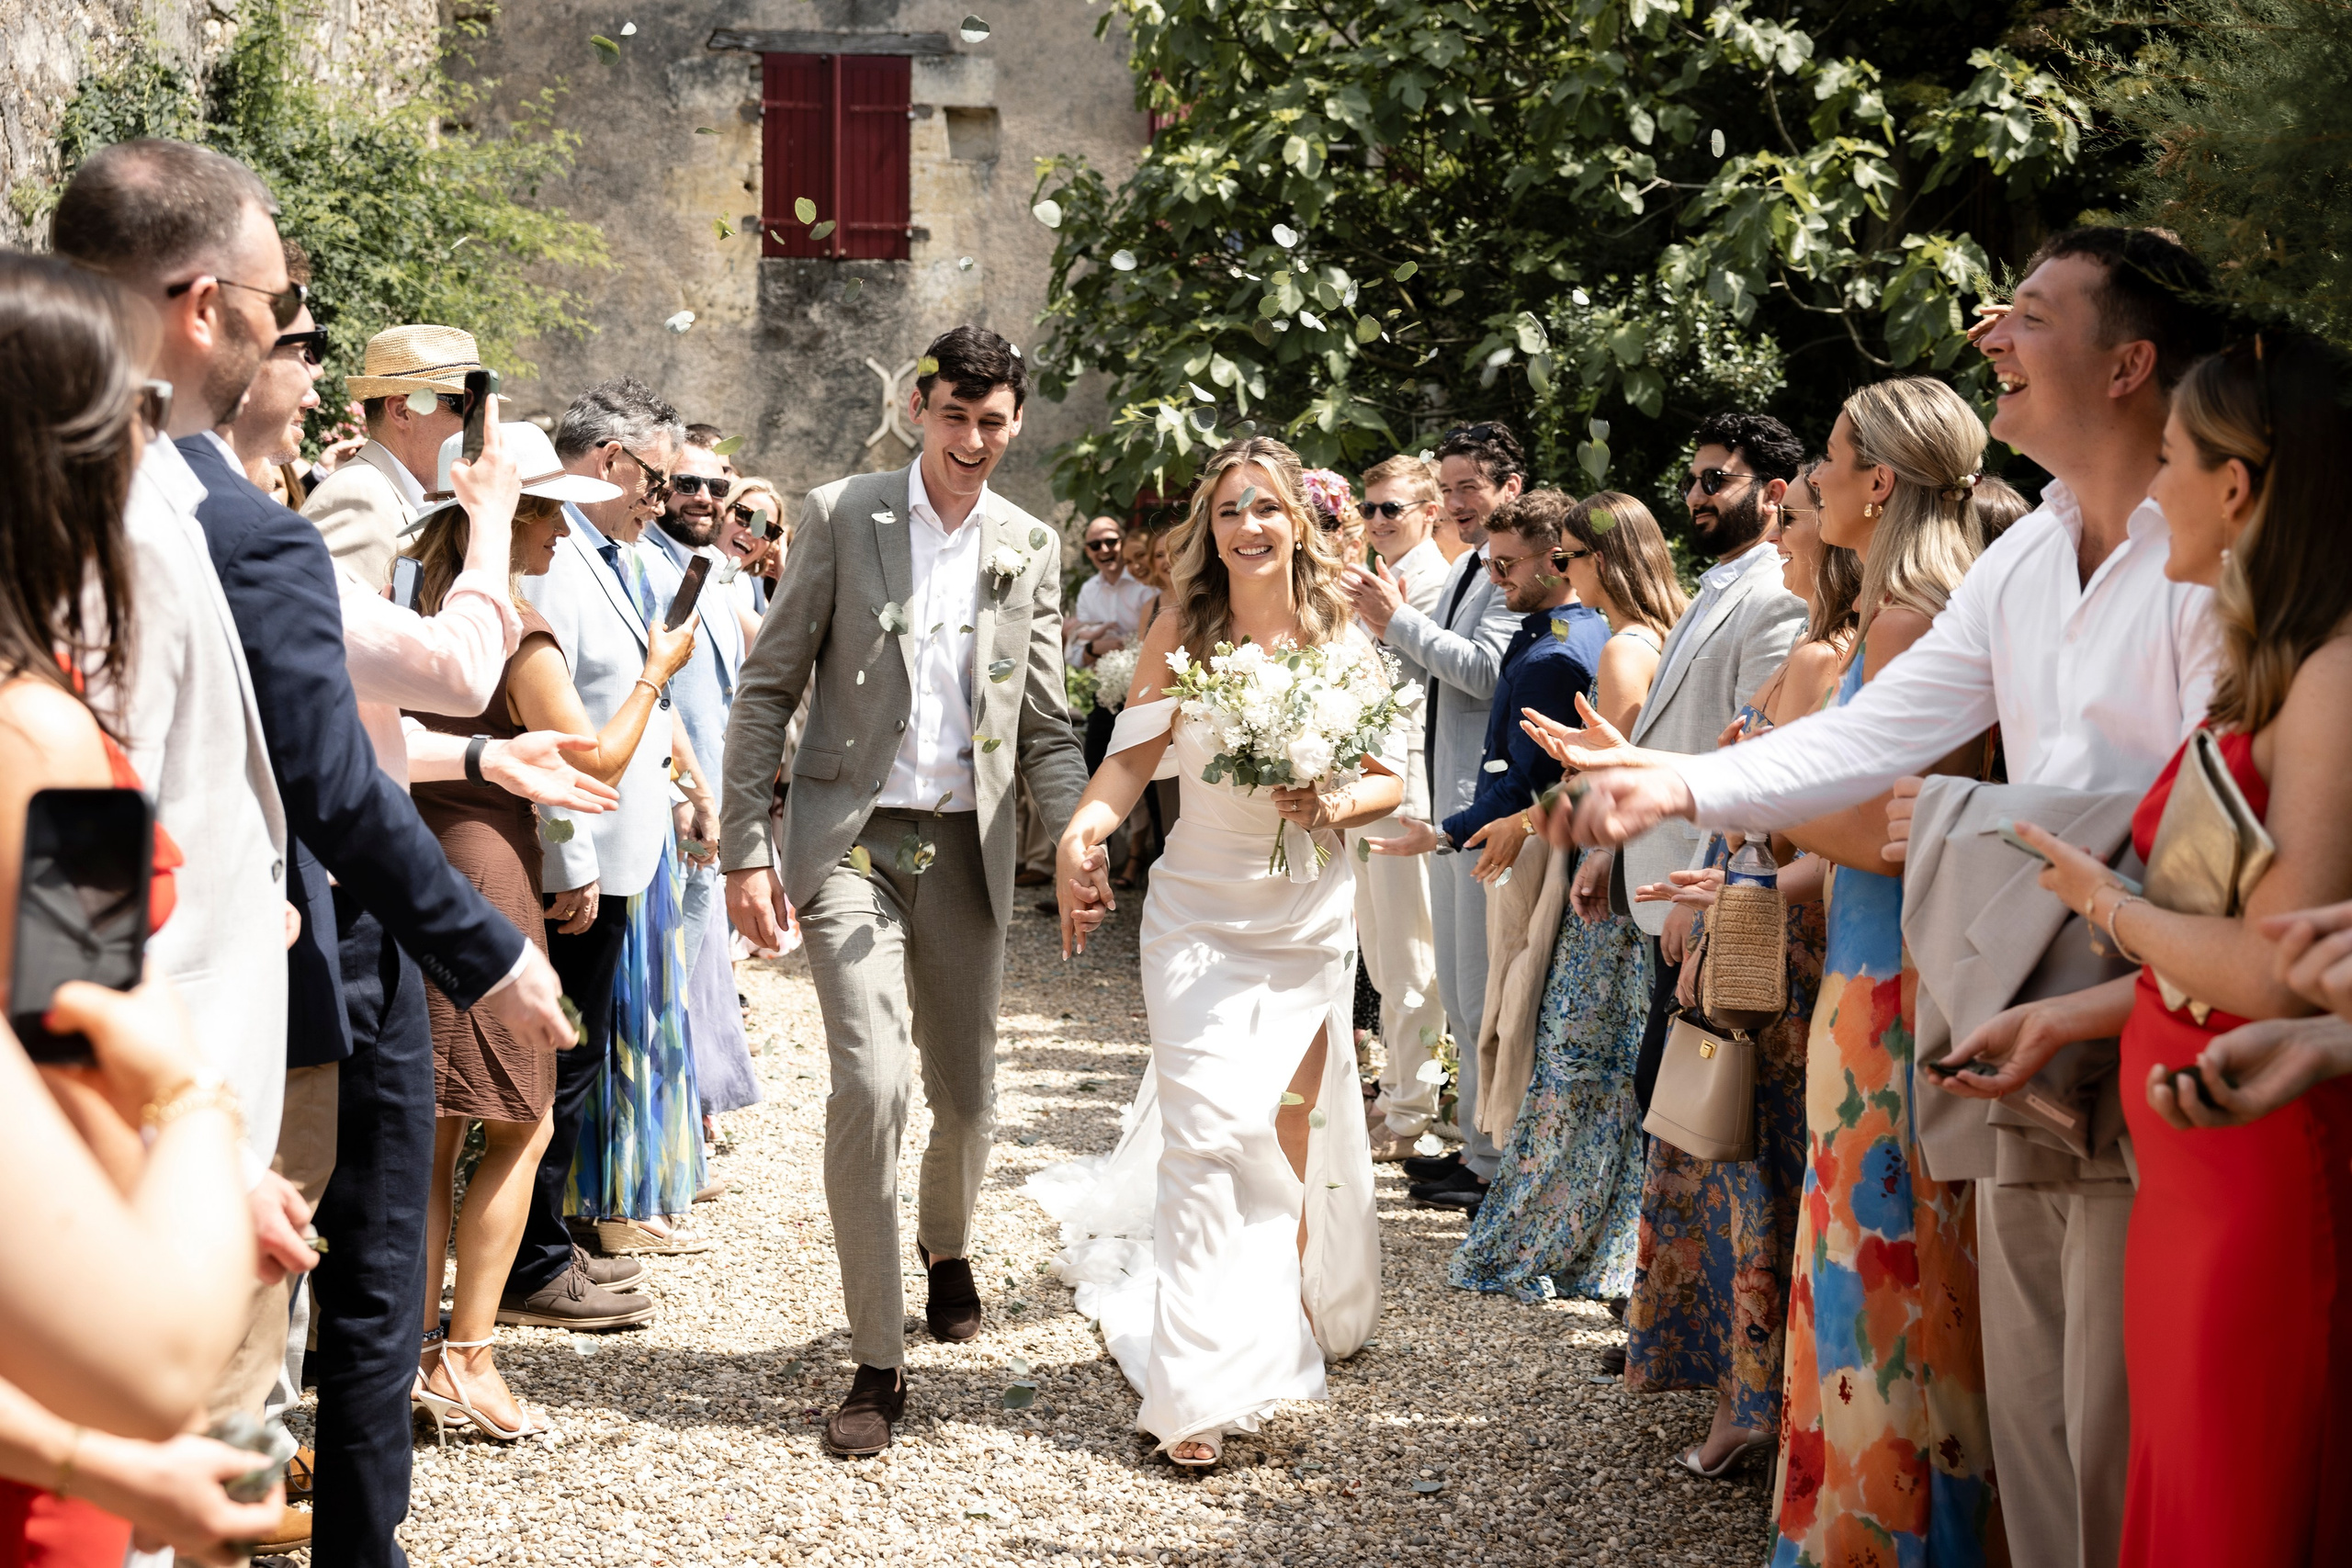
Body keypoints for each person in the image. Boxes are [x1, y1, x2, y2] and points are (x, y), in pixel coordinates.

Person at [1554, 228, 2228, 1568]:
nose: (1988, 334)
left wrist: (1996, 848)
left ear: (2130, 362)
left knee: (2126, 1414)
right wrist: (1674, 779)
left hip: (2160, 1011)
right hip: (2014, 1006)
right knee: (2035, 1400)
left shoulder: (2213, 552)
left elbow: (2220, 805)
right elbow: (1877, 735)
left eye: (2027, 315)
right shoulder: (2027, 556)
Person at [51, 139, 574, 1568]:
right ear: (206, 305)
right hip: (132, 1103)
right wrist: (176, 1113)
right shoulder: (137, 526)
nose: (288, 333)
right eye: (281, 307)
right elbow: (75, 852)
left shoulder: (155, 502)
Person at [1949, 333, 2352, 1566]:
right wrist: (2071, 1013)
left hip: (2259, 1172)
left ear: (2238, 486)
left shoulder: (2335, 676)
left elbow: (2282, 965)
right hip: (2192, 1162)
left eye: (2170, 456)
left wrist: (2099, 902)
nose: (2153, 486)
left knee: (2235, 1509)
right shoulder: (2274, 668)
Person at [718, 326, 1096, 1457]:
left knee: (968, 1097)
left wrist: (1081, 835)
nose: (972, 440)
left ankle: (947, 1246)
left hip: (964, 853)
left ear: (1015, 422)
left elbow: (1044, 722)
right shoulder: (840, 512)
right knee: (872, 1084)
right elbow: (768, 685)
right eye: (954, 417)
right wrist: (744, 845)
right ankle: (877, 1361)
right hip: (852, 840)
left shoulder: (1029, 542)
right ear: (919, 410)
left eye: (993, 423)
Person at [0, 249, 285, 1567]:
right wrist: (203, 1130)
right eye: (131, 417)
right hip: (70, 1340)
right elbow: (92, 1058)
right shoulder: (44, 737)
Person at [1040, 435, 1403, 1468]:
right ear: (1211, 528)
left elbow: (1386, 782)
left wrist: (1331, 799)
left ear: (1296, 524)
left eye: (1268, 508)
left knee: (1283, 1134)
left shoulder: (1338, 635)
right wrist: (1084, 831)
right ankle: (1194, 1389)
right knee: (1203, 1134)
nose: (1249, 525)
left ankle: (1275, 1324)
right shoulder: (1176, 629)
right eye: (1231, 509)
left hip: (1303, 916)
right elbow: (1131, 763)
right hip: (1197, 910)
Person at [399, 423, 648, 1442]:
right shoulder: (514, 622)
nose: (561, 540)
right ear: (519, 516)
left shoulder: (415, 602)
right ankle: (467, 1357)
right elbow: (595, 764)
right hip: (487, 866)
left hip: (414, 857)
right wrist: (654, 676)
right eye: (554, 518)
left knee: (434, 1127)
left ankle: (411, 1355)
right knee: (520, 1115)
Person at [1618, 464, 1853, 1477]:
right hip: (1749, 909)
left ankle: (1754, 1402)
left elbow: (1796, 823)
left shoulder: (1819, 659)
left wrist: (1723, 903)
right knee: (1733, 1156)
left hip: (1770, 935)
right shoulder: (1809, 650)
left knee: (1744, 1160)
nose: (1783, 539)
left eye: (1793, 522)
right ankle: (1756, 1394)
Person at [1453, 489, 1681, 1290]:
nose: (1562, 569)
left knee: (1573, 1059)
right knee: (1620, 1064)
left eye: (1571, 557)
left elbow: (1611, 779)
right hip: (1650, 877)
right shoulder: (1668, 633)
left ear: (1600, 561)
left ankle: (1542, 1234)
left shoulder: (1623, 648)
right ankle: (1614, 1239)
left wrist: (1565, 841)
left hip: (1610, 880)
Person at [1375, 488, 1609, 1218]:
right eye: (1490, 562)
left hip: (1525, 848)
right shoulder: (1549, 629)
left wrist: (1449, 829)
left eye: (1509, 564)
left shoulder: (1554, 653)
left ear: (1558, 560)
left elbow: (1528, 782)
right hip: (1510, 830)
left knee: (1499, 1001)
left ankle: (1499, 1168)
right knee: (1486, 1000)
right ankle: (1487, 1159)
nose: (1496, 577)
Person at [523, 378, 708, 1265]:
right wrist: (571, 858)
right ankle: (535, 1254)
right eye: (660, 481)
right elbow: (549, 727)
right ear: (612, 461)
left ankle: (554, 1236)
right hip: (577, 856)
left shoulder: (608, 556)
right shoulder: (556, 561)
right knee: (559, 1064)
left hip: (623, 847)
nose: (665, 501)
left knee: (583, 1056)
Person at [1338, 422, 1522, 1205]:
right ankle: (1477, 1149)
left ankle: (1488, 1156)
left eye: (1466, 488)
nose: (1453, 503)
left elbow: (1483, 670)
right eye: (1445, 489)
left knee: (1472, 987)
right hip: (1444, 802)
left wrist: (1393, 621)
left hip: (1477, 803)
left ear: (1511, 488)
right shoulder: (1468, 568)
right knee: (1453, 974)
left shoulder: (1509, 574)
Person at [645, 426, 761, 1147]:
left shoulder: (712, 569)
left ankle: (693, 1116)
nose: (704, 498)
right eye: (688, 483)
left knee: (697, 970)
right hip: (669, 802)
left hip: (709, 801)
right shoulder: (648, 566)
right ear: (660, 487)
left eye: (717, 487)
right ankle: (666, 1139)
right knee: (670, 975)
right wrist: (686, 791)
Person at [1348, 455, 1452, 1159]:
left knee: (1414, 955)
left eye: (1393, 508)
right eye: (1371, 508)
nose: (1378, 520)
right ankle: (1401, 1093)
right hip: (1364, 785)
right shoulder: (1362, 579)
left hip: (1413, 784)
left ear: (1428, 512)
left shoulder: (1443, 586)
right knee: (1384, 957)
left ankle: (1415, 1111)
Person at [300, 323, 485, 592]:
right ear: (402, 411)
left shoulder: (399, 492)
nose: (479, 422)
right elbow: (338, 627)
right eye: (465, 406)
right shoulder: (358, 494)